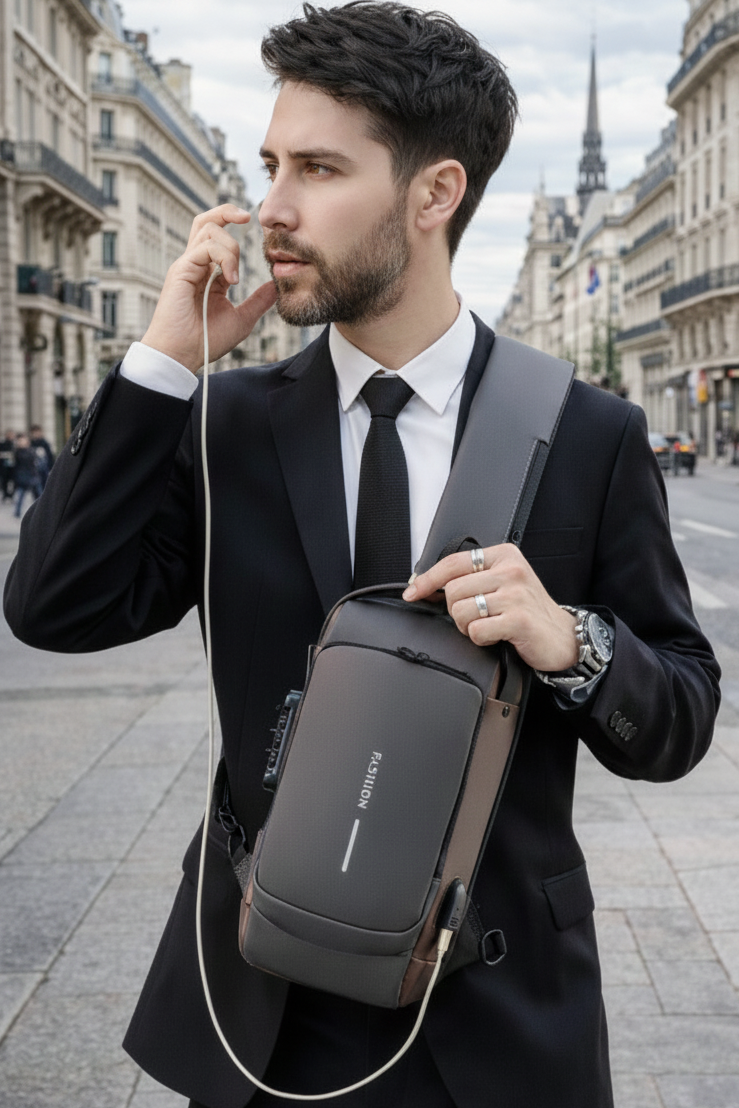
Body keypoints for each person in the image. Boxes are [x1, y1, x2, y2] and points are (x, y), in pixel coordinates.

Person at [3, 4, 720, 1107]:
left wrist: (568, 642)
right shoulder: (226, 426)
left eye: (320, 169)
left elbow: (676, 716)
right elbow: (53, 605)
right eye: (271, 163)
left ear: (434, 194)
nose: (269, 208)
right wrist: (160, 359)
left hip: (499, 1017)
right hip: (260, 1013)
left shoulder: (586, 433)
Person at [11, 433, 42, 518]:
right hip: (22, 476)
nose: (22, 442)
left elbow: (35, 461)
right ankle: (17, 512)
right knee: (21, 495)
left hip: (32, 475)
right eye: (20, 441)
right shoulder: (18, 452)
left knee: (39, 495)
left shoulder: (31, 450)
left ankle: (41, 511)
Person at [29, 424, 55, 491]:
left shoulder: (44, 443)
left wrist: (51, 467)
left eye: (37, 432)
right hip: (34, 469)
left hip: (44, 467)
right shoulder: (30, 443)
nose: (36, 434)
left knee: (44, 484)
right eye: (34, 432)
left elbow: (50, 456)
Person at [0, 430, 15, 501]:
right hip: (4, 466)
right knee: (5, 481)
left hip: (13, 466)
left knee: (14, 481)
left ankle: (11, 494)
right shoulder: (3, 444)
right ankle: (6, 494)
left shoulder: (14, 444)